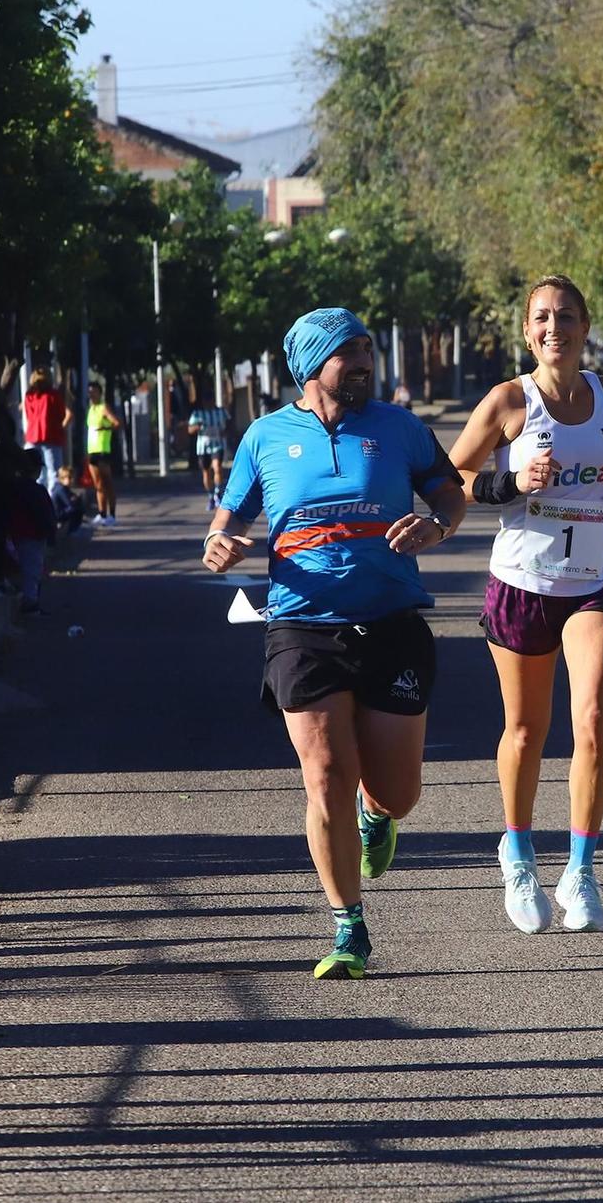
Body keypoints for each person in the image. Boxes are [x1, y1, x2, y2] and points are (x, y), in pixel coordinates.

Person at [203, 307, 466, 978]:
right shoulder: (265, 436)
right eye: (349, 354)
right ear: (311, 363)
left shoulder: (398, 427)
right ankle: (349, 925)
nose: (365, 365)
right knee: (324, 777)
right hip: (302, 626)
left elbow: (449, 491)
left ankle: (379, 816)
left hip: (393, 624)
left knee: (397, 790)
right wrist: (221, 542)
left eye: (368, 351)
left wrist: (436, 527)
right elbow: (229, 513)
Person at [448, 275, 603, 934]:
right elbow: (451, 476)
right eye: (541, 317)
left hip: (597, 576)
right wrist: (509, 480)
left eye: (565, 316)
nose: (553, 327)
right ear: (526, 328)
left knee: (592, 717)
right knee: (527, 731)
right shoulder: (510, 400)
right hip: (522, 583)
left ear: (585, 325)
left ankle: (583, 868)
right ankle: (517, 849)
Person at [23, 367, 72, 506]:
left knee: (35, 473)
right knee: (54, 472)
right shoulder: (53, 395)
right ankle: (52, 503)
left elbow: (27, 415)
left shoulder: (29, 396)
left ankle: (36, 502)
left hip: (33, 436)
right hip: (51, 436)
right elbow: (61, 414)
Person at [85, 382, 121, 526]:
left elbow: (116, 423)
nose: (91, 394)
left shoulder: (103, 407)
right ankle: (102, 513)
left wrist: (105, 428)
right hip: (92, 450)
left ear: (99, 393)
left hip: (102, 450)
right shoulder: (91, 409)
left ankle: (112, 514)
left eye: (94, 392)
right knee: (98, 484)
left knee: (107, 483)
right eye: (89, 392)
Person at [187, 388, 231, 507]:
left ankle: (217, 493)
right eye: (206, 401)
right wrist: (197, 427)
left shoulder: (220, 412)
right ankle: (210, 495)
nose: (208, 403)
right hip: (203, 446)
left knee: (217, 468)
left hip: (217, 444)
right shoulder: (197, 414)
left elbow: (228, 424)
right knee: (206, 473)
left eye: (210, 400)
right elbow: (190, 429)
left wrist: (224, 432)